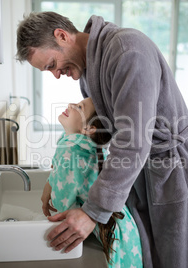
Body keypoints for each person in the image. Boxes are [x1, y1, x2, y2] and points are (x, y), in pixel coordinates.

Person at [16, 11, 188, 268]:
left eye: (51, 65)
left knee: (187, 260)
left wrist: (93, 211)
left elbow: (133, 140)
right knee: (155, 258)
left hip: (177, 171)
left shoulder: (127, 51)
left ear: (62, 36)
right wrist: (57, 176)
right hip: (144, 173)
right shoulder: (91, 68)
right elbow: (99, 129)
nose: (56, 75)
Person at [43, 97, 143, 267]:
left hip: (111, 235)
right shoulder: (86, 147)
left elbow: (63, 206)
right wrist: (49, 183)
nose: (70, 105)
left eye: (79, 108)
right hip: (124, 230)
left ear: (89, 128)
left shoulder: (71, 151)